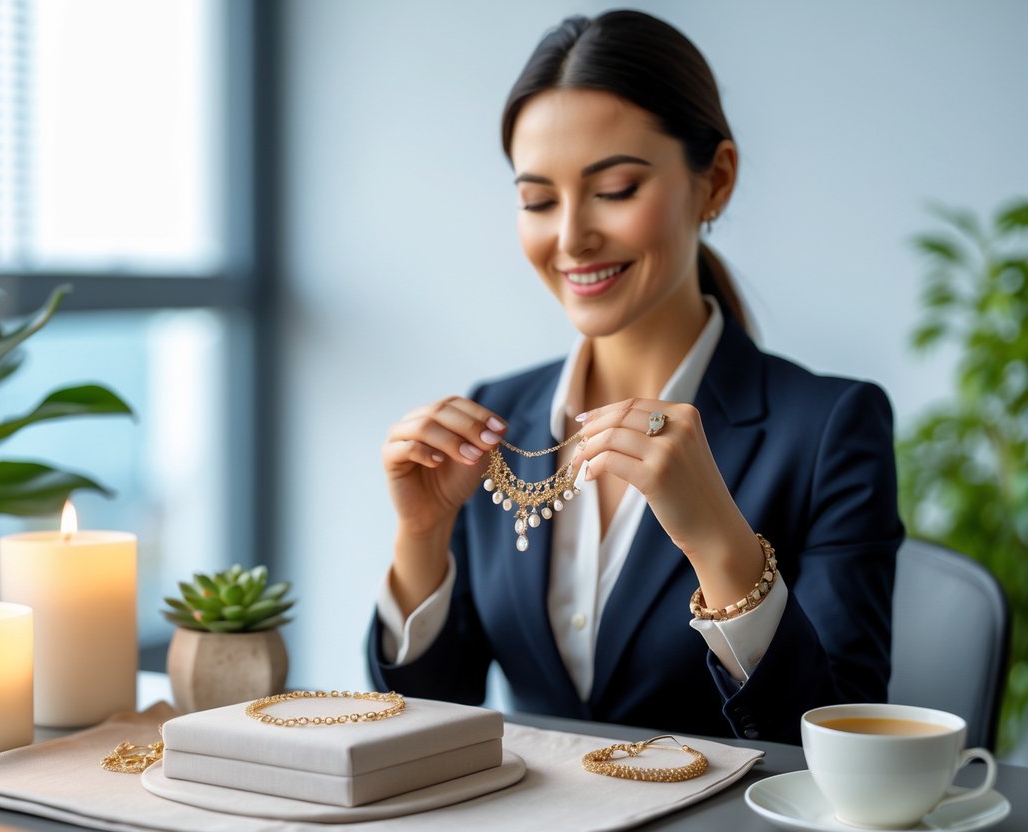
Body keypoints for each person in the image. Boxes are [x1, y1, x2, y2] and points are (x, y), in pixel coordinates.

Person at [367, 10, 903, 744]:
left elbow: (842, 744)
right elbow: (434, 725)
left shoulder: (828, 428)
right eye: (536, 200)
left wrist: (718, 540)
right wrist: (421, 537)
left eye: (614, 188)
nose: (569, 236)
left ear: (714, 180)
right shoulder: (495, 420)